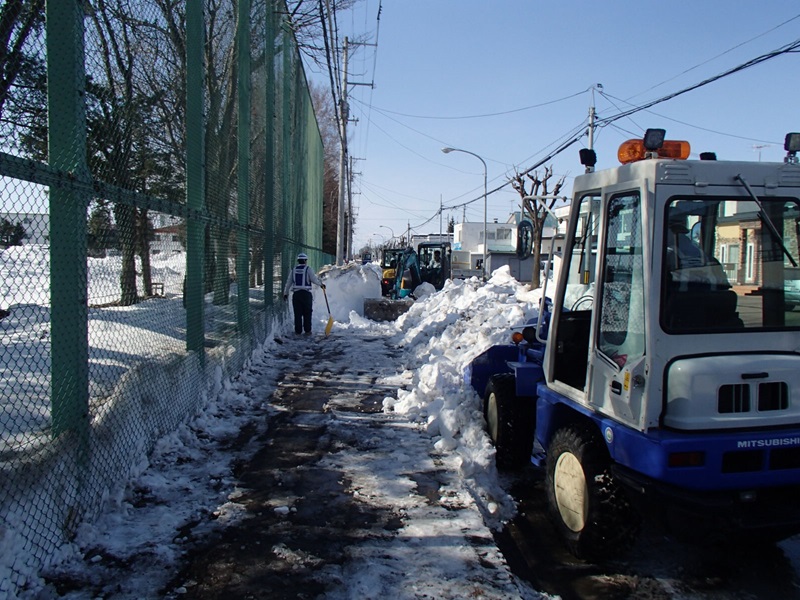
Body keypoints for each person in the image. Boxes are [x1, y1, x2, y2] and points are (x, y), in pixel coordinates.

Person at [283, 252, 325, 335]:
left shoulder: (294, 270)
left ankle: (298, 331)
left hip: (296, 295)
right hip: (306, 294)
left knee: (297, 313)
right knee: (307, 313)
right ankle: (307, 330)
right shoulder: (308, 269)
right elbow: (314, 279)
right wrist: (321, 285)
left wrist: (285, 293)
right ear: (305, 260)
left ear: (298, 261)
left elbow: (289, 282)